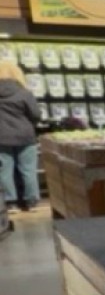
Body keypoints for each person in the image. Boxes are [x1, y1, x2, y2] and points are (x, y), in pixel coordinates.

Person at [0, 61, 41, 211]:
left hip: (2, 137)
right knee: (28, 170)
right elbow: (35, 115)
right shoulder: (24, 93)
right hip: (25, 136)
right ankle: (31, 201)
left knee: (4, 171)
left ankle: (10, 202)